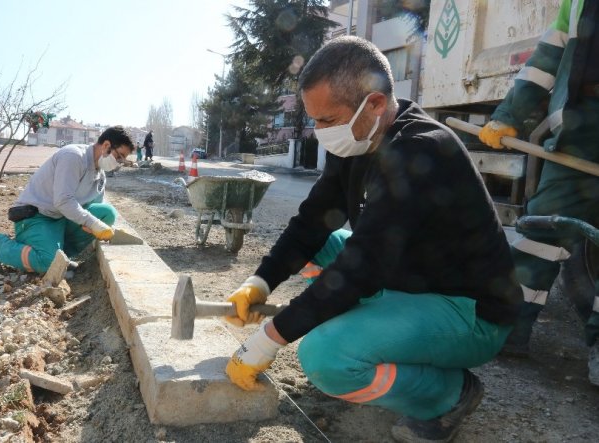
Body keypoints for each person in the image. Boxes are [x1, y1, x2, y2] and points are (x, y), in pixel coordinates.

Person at [223, 36, 521, 443]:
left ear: (375, 104)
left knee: (324, 357)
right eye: (315, 120)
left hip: (468, 311)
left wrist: (268, 339)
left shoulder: (421, 154)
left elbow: (361, 268)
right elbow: (312, 222)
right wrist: (260, 280)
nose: (319, 132)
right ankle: (367, 333)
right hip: (407, 278)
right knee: (324, 246)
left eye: (327, 120)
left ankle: (448, 397)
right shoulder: (358, 142)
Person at [478, 0, 599, 384]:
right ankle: (508, 330)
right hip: (584, 132)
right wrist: (509, 115)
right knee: (542, 235)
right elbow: (545, 61)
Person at [0, 126, 134, 276]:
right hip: (36, 217)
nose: (118, 163)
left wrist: (96, 224)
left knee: (106, 214)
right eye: (118, 156)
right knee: (48, 263)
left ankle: (61, 254)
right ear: (106, 145)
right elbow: (64, 201)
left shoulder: (100, 175)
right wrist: (91, 223)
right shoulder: (73, 157)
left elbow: (92, 207)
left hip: (59, 218)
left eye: (122, 160)